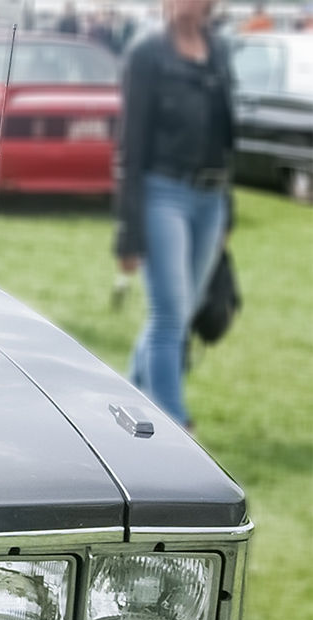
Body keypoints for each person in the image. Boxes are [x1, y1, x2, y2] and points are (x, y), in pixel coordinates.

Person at [113, 0, 234, 431]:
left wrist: (228, 213)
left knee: (182, 312)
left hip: (211, 197)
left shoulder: (217, 50)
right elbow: (130, 147)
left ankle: (129, 396)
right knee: (169, 314)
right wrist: (129, 234)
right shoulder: (146, 54)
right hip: (163, 193)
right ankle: (174, 424)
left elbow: (225, 134)